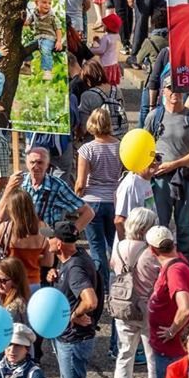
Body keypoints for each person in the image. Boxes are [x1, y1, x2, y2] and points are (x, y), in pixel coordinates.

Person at [145, 77, 189, 259]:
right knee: (159, 226)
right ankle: (160, 267)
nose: (175, 93)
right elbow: (142, 146)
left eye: (178, 89)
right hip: (160, 180)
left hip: (185, 178)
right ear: (163, 91)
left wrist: (175, 164)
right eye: (171, 89)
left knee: (186, 227)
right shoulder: (154, 117)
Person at [49, 218, 103, 378]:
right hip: (73, 338)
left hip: (73, 340)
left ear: (59, 244)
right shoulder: (76, 254)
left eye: (51, 237)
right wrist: (54, 273)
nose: (47, 240)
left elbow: (90, 301)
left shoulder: (75, 269)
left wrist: (74, 314)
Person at [111, 207, 161, 378]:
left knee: (124, 354)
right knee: (152, 356)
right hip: (148, 307)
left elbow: (113, 267)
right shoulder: (151, 253)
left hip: (123, 304)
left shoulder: (118, 246)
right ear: (144, 229)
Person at [75, 107, 122, 289]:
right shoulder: (119, 146)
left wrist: (75, 199)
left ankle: (102, 286)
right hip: (114, 200)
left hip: (92, 201)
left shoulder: (87, 150)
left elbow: (80, 183)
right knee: (114, 244)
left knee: (96, 248)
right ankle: (119, 281)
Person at [146, 225, 189, 378]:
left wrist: (171, 331)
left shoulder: (175, 271)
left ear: (152, 250)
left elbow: (185, 308)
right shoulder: (177, 260)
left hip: (171, 350)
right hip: (169, 348)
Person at [1, 146, 94, 229]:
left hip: (46, 240)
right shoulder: (18, 182)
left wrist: (68, 235)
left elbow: (88, 212)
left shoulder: (57, 186)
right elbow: (1, 217)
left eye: (40, 162)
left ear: (47, 164)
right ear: (26, 163)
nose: (36, 167)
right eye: (32, 162)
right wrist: (9, 188)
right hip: (20, 239)